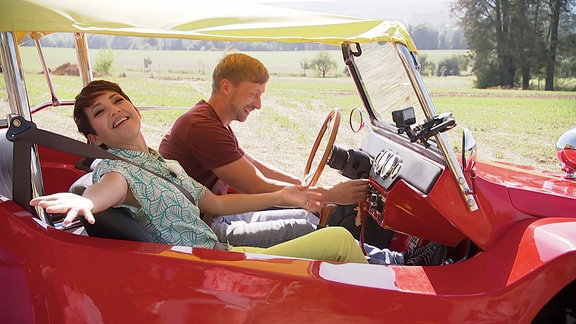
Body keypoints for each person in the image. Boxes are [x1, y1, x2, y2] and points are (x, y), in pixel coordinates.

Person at [30, 80, 443, 266]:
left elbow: (214, 202)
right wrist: (85, 200)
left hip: (215, 254)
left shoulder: (159, 163)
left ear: (134, 107)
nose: (116, 111)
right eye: (101, 112)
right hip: (210, 268)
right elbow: (110, 189)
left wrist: (286, 195)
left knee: (321, 230)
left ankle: (394, 267)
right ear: (93, 138)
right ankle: (392, 289)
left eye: (118, 100)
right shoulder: (119, 171)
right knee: (336, 236)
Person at [159, 53, 369, 247]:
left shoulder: (215, 123)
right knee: (308, 227)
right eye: (253, 94)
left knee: (307, 217)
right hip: (198, 230)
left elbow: (256, 166)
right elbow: (257, 185)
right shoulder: (202, 125)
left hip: (213, 217)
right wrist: (329, 194)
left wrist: (307, 186)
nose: (258, 105)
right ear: (226, 87)